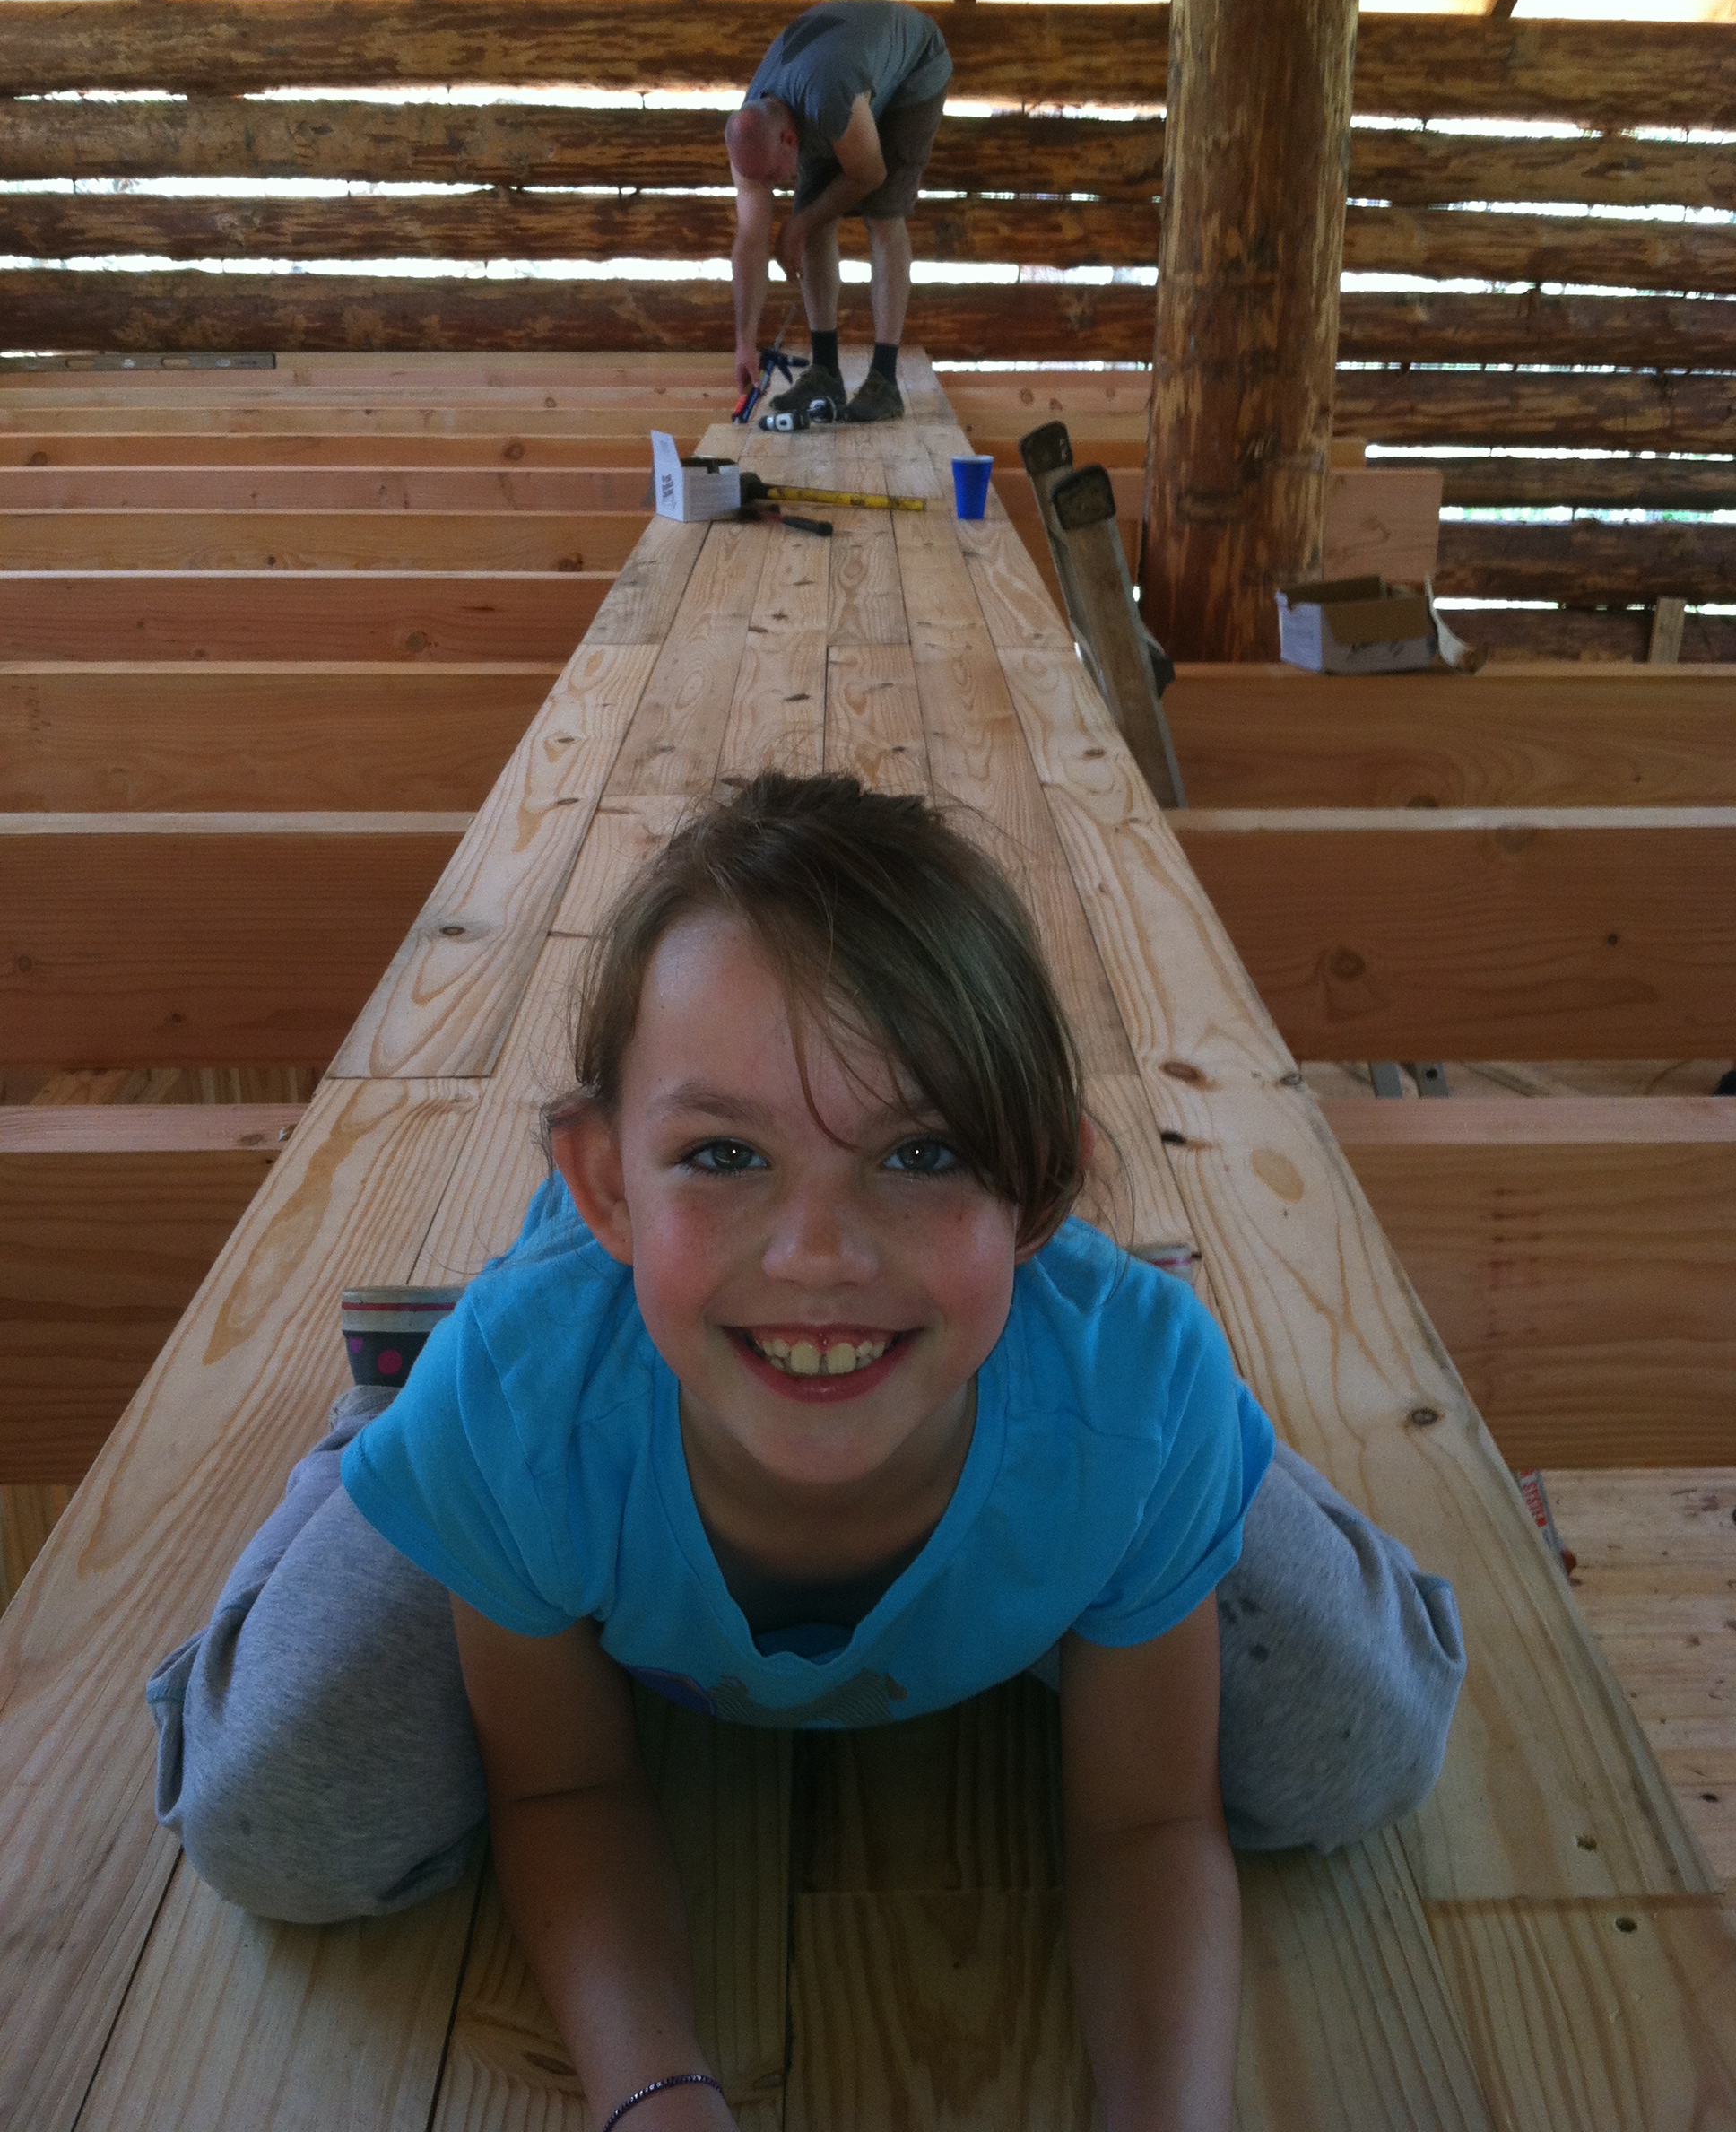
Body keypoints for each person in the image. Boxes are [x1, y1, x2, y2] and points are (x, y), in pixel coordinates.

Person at [148, 772, 1465, 2132]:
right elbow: (564, 1782)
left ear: (1041, 1189)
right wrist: (657, 2101)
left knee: (1357, 1750)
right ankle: (391, 1425)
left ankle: (1179, 1418)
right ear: (604, 1186)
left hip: (1066, 1392)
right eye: (725, 1154)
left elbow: (1148, 1823)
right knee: (281, 1825)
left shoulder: (1123, 1405)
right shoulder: (526, 1401)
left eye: (923, 1152)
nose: (818, 1256)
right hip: (565, 1392)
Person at [725, 0, 952, 426]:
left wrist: (799, 223)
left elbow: (870, 173)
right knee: (812, 218)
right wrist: (744, 342)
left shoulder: (827, 100)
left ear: (790, 140)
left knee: (882, 215)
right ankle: (825, 372)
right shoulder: (752, 136)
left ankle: (884, 381)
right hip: (843, 69)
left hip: (913, 68)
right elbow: (750, 243)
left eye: (774, 175)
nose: (773, 184)